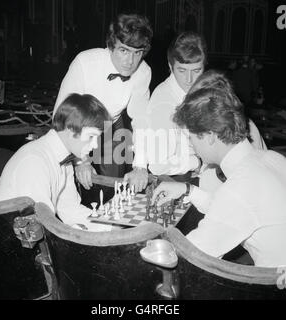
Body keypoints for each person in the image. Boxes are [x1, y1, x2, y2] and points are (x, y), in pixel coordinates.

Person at [152, 83, 286, 267]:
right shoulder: (271, 158)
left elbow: (190, 253)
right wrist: (188, 190)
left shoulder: (240, 188)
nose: (191, 145)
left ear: (210, 136)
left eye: (190, 138)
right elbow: (235, 211)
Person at [53, 13, 153, 194]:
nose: (130, 62)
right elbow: (61, 115)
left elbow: (142, 120)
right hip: (76, 126)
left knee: (111, 188)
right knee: (69, 183)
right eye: (124, 50)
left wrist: (140, 166)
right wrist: (79, 161)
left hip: (111, 125)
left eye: (137, 53)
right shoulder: (85, 62)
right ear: (111, 45)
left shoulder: (143, 71)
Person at [0, 93, 112, 231]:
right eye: (91, 136)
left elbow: (70, 209)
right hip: (4, 244)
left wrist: (109, 226)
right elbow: (39, 226)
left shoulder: (63, 158)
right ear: (70, 129)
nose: (95, 146)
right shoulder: (35, 161)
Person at [142, 31, 206, 177]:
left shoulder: (201, 89)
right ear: (170, 67)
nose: (189, 79)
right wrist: (197, 162)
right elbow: (158, 166)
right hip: (177, 180)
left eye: (197, 70)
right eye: (182, 70)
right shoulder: (164, 103)